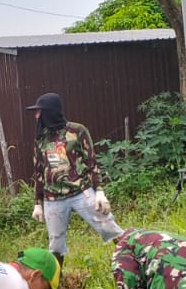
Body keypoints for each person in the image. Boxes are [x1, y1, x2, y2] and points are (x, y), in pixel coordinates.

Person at [27, 92, 123, 267]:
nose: (36, 116)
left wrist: (99, 191)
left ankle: (135, 262)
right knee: (55, 246)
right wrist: (37, 203)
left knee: (109, 226)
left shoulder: (77, 131)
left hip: (82, 192)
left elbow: (91, 161)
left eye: (39, 111)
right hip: (53, 199)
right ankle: (56, 286)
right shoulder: (41, 139)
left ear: (50, 111)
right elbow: (39, 171)